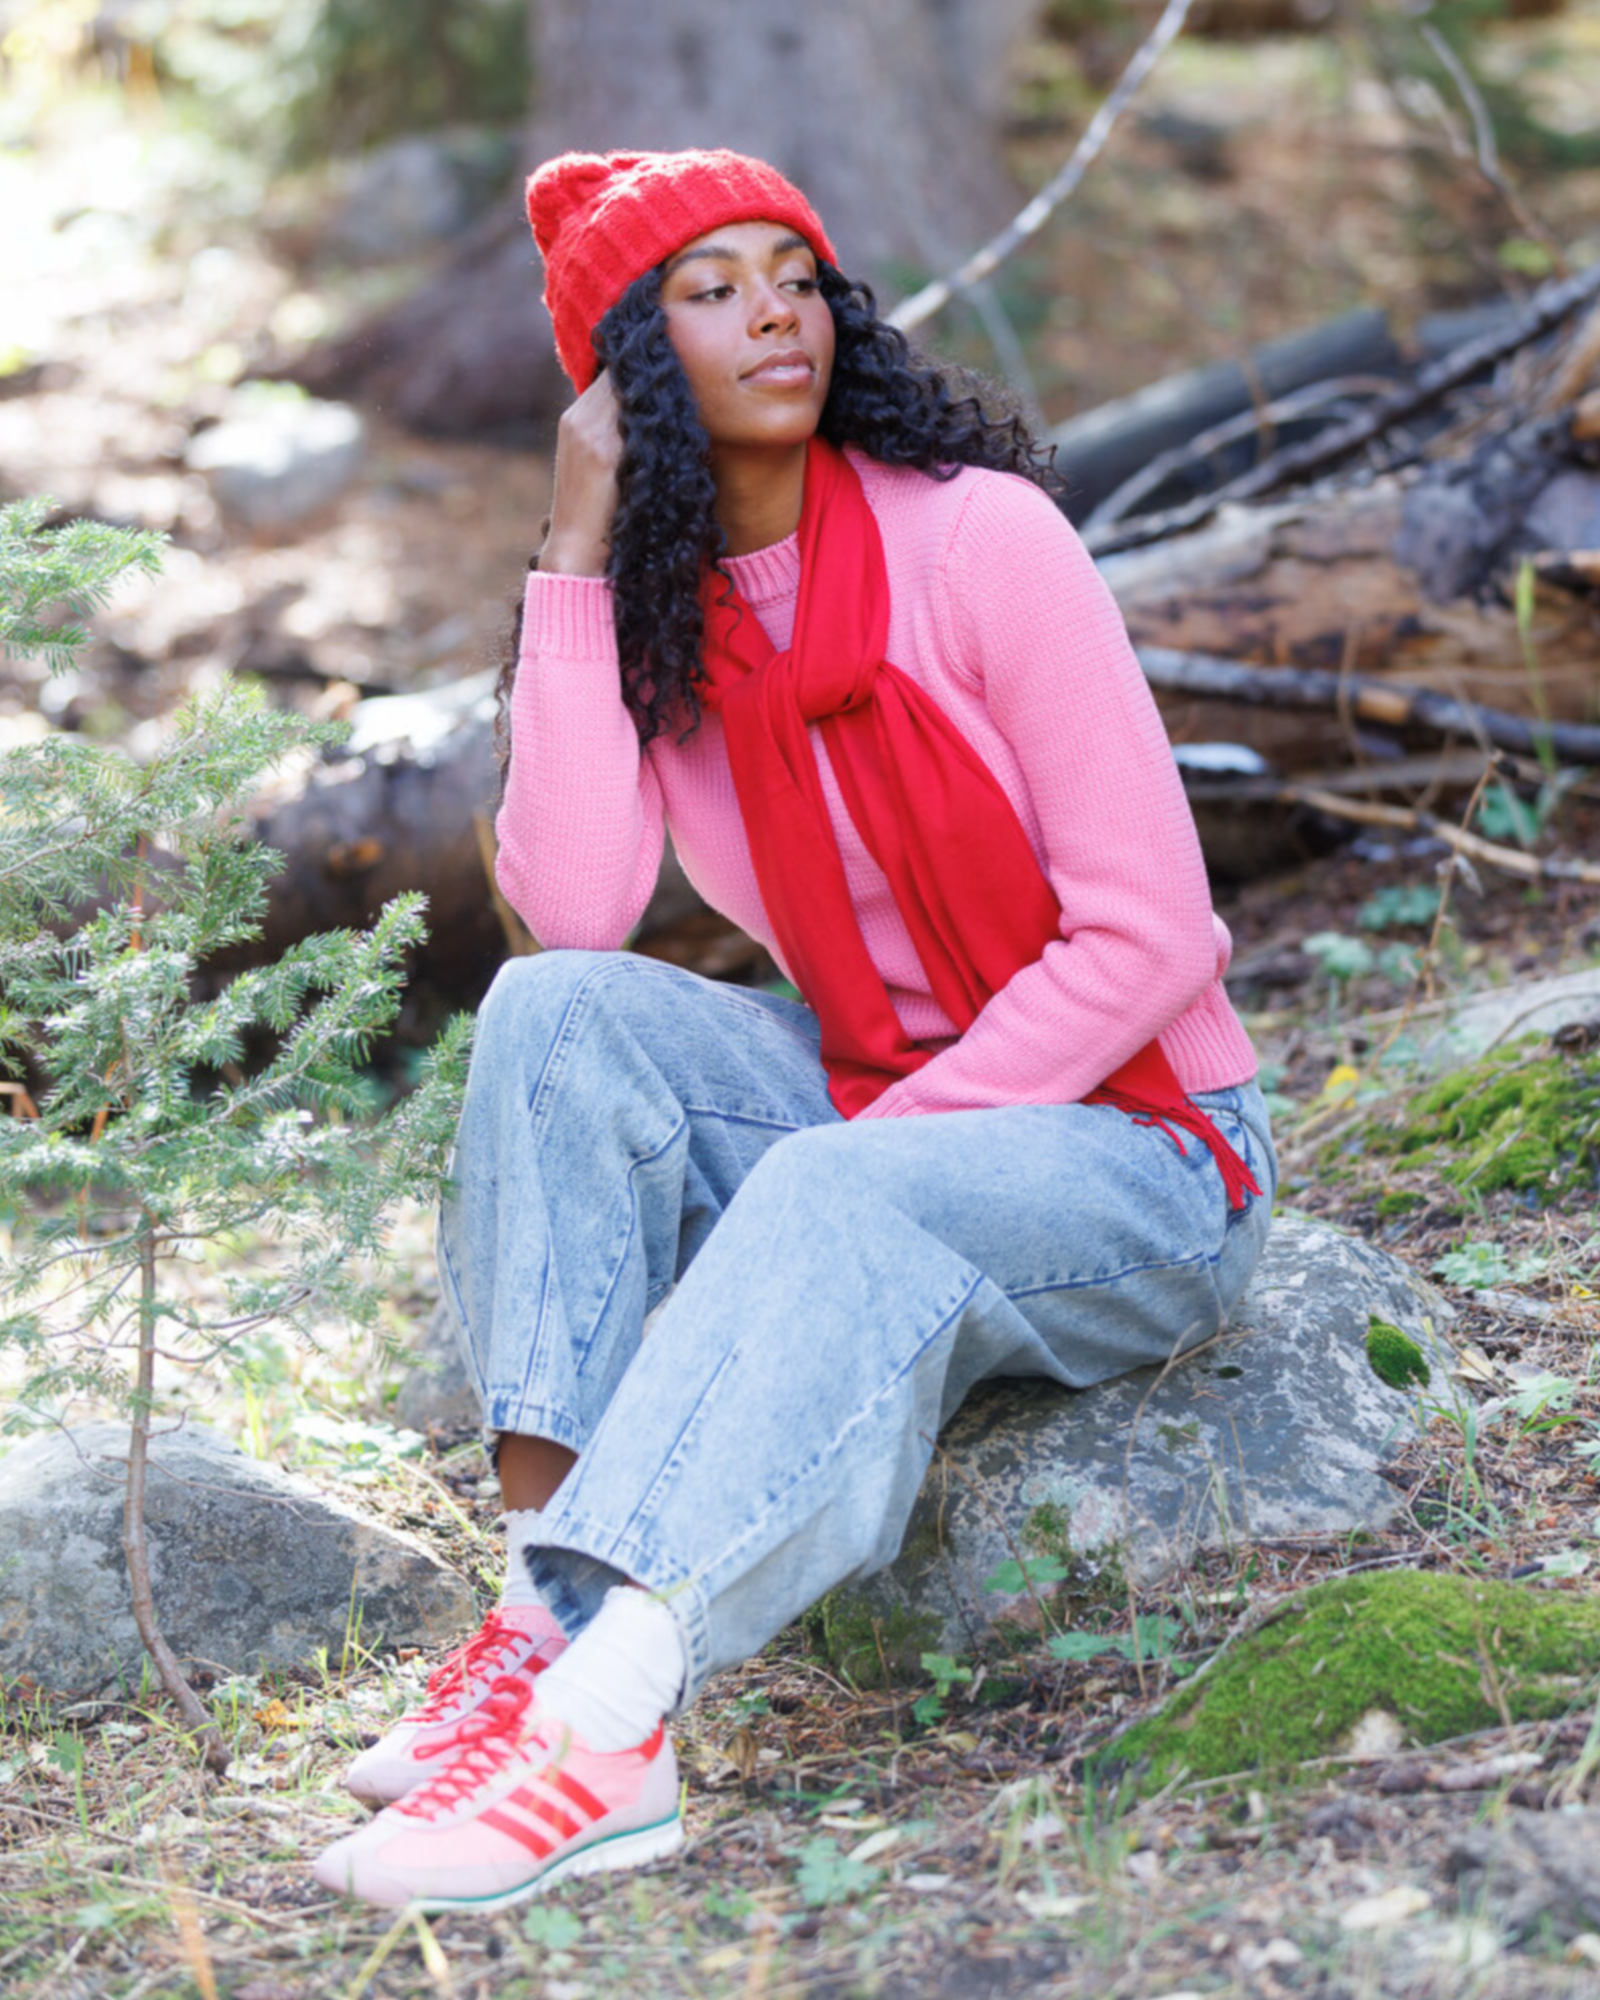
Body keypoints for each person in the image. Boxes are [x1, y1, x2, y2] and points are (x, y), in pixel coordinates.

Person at [314, 146, 1275, 1912]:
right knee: (557, 1013)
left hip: (1144, 1151)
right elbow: (575, 910)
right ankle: (539, 1619)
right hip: (881, 1096)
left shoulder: (981, 540)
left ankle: (607, 1734)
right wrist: (578, 551)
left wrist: (868, 1155)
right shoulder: (668, 620)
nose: (775, 315)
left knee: (834, 1185)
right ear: (625, 368)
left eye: (794, 275)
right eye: (711, 289)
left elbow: (1154, 936)